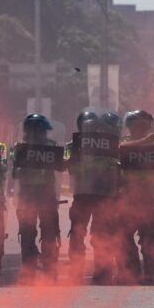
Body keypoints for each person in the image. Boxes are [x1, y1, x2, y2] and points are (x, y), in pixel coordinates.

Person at [118, 110, 154, 285]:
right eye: (137, 126)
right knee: (123, 237)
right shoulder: (125, 143)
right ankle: (132, 271)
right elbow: (118, 151)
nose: (140, 129)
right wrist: (144, 142)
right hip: (129, 200)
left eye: (142, 126)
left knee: (150, 238)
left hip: (152, 200)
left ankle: (151, 273)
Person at [66, 108, 122, 284]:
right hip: (89, 195)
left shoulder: (115, 147)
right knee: (81, 234)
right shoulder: (72, 146)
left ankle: (101, 271)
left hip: (99, 196)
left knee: (98, 235)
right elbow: (64, 165)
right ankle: (80, 270)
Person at [10, 114, 64, 282]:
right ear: (30, 131)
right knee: (28, 235)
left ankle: (49, 270)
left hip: (42, 195)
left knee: (48, 234)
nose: (42, 135)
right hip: (30, 196)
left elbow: (60, 167)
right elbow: (14, 172)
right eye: (39, 131)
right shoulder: (20, 149)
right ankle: (30, 270)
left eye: (42, 132)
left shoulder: (48, 146)